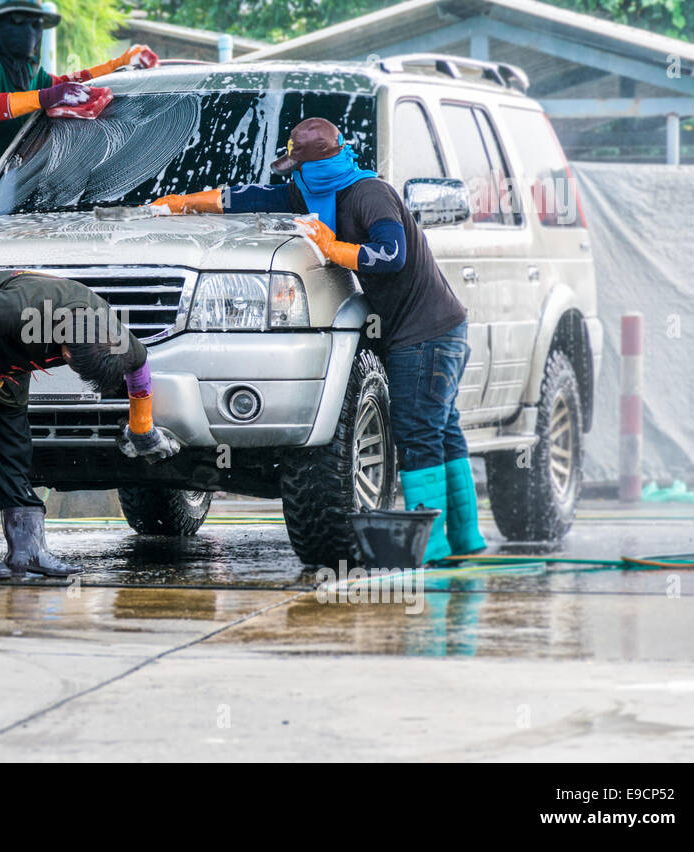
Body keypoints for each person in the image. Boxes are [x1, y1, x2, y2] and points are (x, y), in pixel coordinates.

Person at [152, 117, 485, 563]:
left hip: (428, 335)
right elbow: (249, 198)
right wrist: (183, 204)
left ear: (311, 164)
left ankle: (435, 548)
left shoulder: (370, 194)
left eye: (295, 164)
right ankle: (464, 540)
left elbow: (392, 253)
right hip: (440, 329)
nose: (291, 176)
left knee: (417, 433)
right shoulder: (312, 191)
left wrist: (333, 250)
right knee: (442, 431)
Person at [0, 270, 180, 578]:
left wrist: (142, 427)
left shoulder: (109, 334)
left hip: (10, 360)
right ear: (64, 343)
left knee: (15, 449)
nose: (65, 359)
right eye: (68, 356)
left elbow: (139, 365)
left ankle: (27, 551)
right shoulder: (25, 309)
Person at [0, 0, 159, 189]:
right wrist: (45, 97)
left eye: (35, 24)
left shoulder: (29, 70)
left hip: (8, 190)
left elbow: (68, 85)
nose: (29, 30)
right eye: (18, 21)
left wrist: (119, 63)